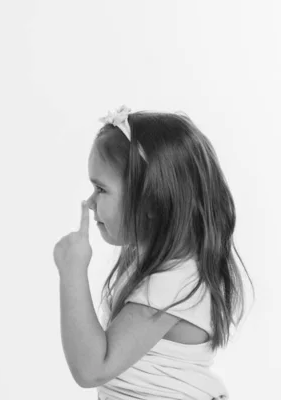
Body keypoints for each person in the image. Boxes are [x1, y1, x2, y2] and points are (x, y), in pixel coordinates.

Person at [53, 106, 252, 399]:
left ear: (150, 200)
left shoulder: (174, 281)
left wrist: (72, 271)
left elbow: (92, 369)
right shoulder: (147, 263)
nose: (91, 201)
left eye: (101, 189)